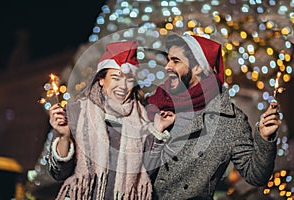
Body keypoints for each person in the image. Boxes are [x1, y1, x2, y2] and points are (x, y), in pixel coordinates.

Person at [145, 34, 281, 199]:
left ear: (198, 68)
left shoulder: (229, 120)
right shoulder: (153, 104)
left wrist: (264, 139)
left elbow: (256, 176)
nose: (167, 66)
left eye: (175, 61)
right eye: (168, 60)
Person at [47, 40, 173, 200]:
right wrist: (64, 137)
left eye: (129, 79)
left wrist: (159, 130)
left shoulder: (142, 118)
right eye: (116, 77)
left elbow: (148, 172)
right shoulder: (76, 113)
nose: (123, 86)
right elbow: (58, 173)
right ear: (101, 79)